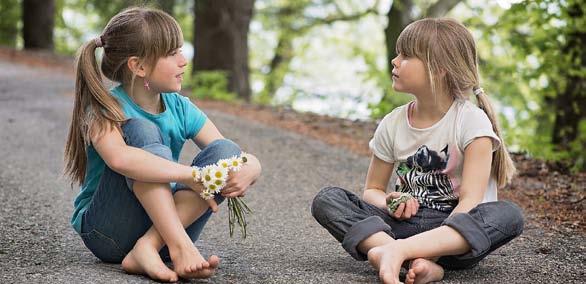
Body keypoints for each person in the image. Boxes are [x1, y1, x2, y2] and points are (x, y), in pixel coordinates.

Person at [311, 18, 524, 284]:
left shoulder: (471, 122)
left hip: (454, 236)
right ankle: (403, 256)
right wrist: (390, 201)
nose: (395, 61)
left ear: (440, 69)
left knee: (508, 215)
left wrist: (430, 250)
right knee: (328, 199)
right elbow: (372, 191)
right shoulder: (393, 122)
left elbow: (470, 201)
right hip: (400, 226)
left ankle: (392, 253)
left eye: (407, 56)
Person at [63, 7, 262, 282]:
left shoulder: (180, 107)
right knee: (141, 130)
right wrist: (192, 175)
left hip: (164, 232)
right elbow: (120, 159)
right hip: (108, 233)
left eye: (181, 51)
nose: (184, 61)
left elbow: (229, 152)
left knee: (225, 151)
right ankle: (179, 247)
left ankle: (149, 247)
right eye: (172, 54)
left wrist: (252, 165)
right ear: (139, 66)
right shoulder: (105, 109)